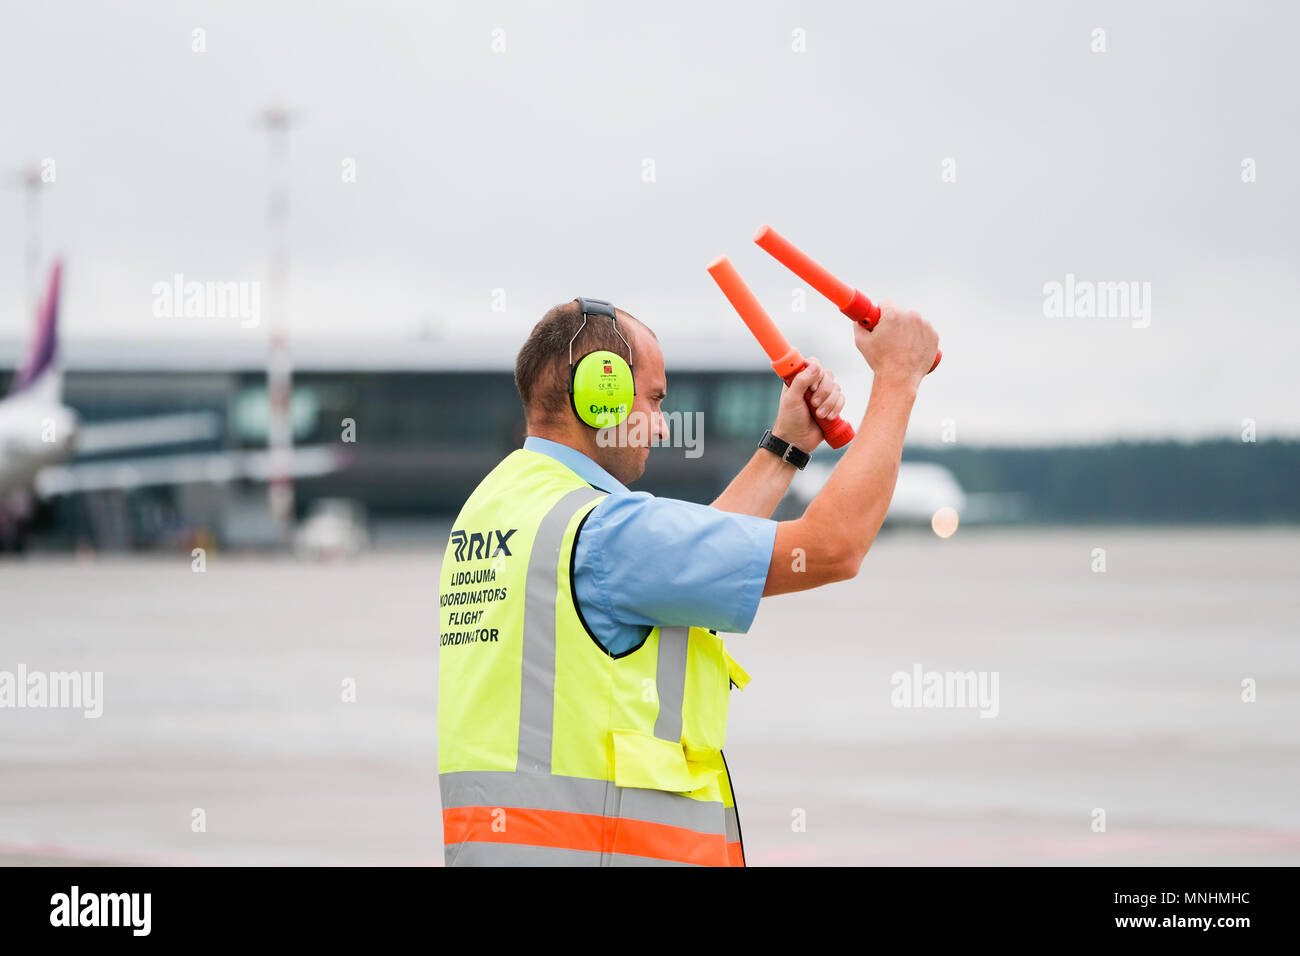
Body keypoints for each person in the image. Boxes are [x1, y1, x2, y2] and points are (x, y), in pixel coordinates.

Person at [437, 295, 939, 866]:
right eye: (653, 399)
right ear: (600, 394)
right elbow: (834, 548)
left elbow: (686, 556)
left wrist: (787, 447)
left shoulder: (498, 510)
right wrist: (898, 379)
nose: (663, 423)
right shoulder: (604, 532)